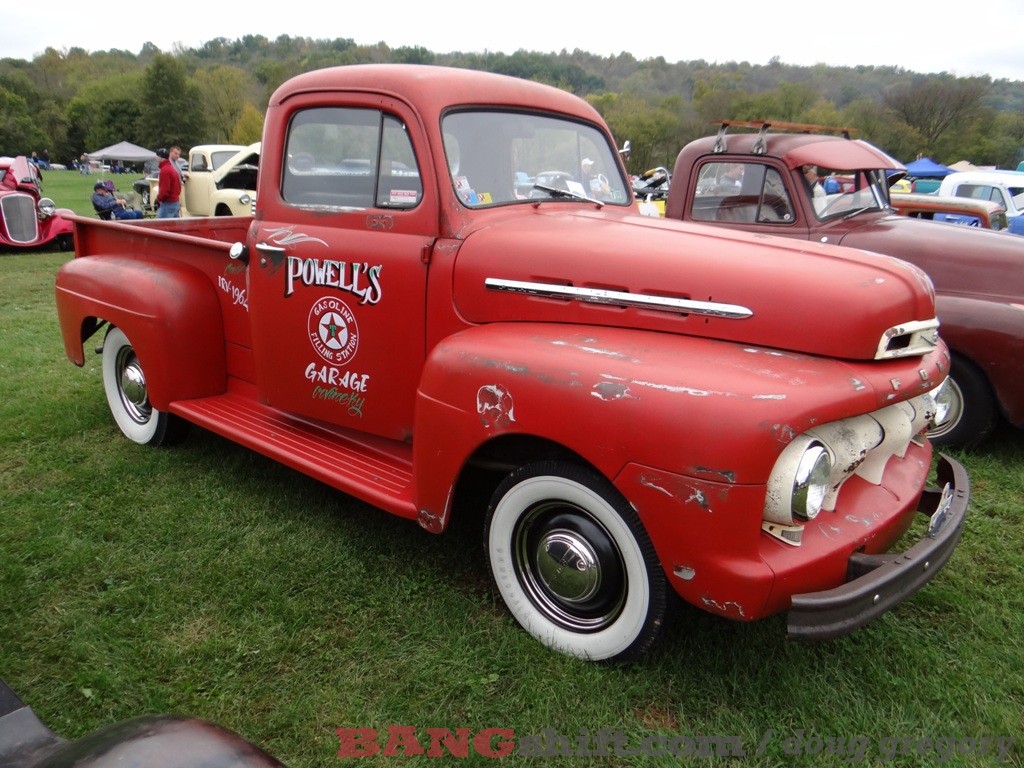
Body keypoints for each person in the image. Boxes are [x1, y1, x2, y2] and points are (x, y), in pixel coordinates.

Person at [155, 146, 184, 218]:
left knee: (162, 227)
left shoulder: (164, 170)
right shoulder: (172, 168)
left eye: (157, 156)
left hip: (168, 204)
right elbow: (178, 186)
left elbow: (164, 190)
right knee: (174, 228)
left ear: (160, 158)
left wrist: (159, 199)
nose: (156, 157)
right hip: (175, 202)